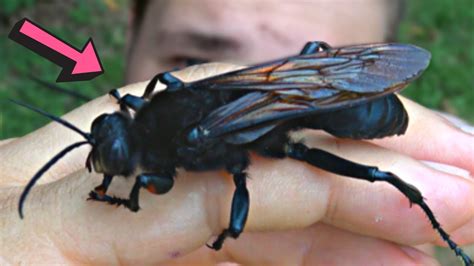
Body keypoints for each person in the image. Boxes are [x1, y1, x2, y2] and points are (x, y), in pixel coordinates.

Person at [1, 0, 473, 264]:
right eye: (188, 62)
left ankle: (436, 223)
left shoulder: (170, 150)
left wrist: (127, 195)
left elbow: (159, 179)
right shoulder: (163, 104)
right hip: (314, 87)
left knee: (375, 176)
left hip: (344, 108)